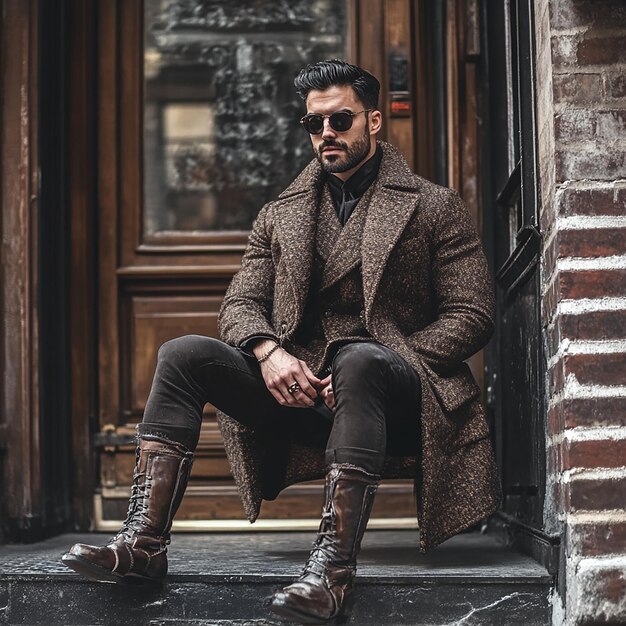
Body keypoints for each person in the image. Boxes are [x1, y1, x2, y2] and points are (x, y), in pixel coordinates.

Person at [62, 59, 501, 624]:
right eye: (313, 124)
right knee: (182, 355)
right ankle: (144, 545)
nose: (326, 135)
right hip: (301, 390)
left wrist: (400, 357)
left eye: (339, 120)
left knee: (359, 359)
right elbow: (239, 304)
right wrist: (269, 353)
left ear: (373, 121)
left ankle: (333, 573)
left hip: (394, 392)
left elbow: (473, 313)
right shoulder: (280, 214)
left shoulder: (432, 205)